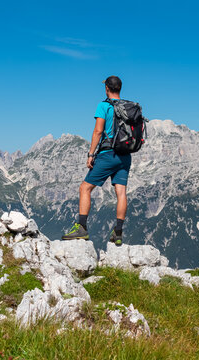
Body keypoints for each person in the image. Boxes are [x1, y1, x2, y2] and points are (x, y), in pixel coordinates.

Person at [62, 76, 131, 246]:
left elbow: (98, 131)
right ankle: (118, 232)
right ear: (120, 88)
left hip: (108, 154)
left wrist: (91, 154)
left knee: (85, 188)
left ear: (107, 88)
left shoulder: (104, 106)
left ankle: (82, 228)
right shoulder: (128, 107)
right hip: (125, 155)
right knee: (121, 193)